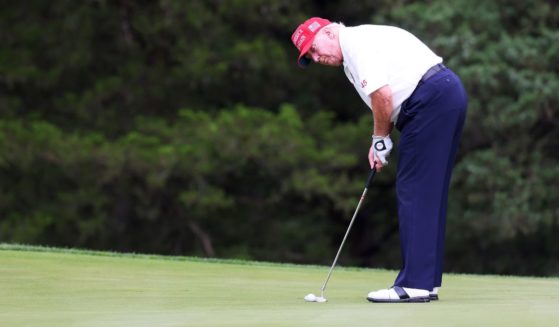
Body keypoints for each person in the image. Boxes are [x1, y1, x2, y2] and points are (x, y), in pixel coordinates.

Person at [291, 17, 468, 303]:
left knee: (414, 191)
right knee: (427, 193)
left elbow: (383, 96)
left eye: (314, 48)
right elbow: (385, 100)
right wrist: (381, 139)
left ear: (327, 31)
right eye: (309, 56)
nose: (316, 57)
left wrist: (379, 138)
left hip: (430, 101)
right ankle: (426, 282)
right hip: (441, 96)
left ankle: (415, 284)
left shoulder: (355, 44)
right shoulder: (353, 52)